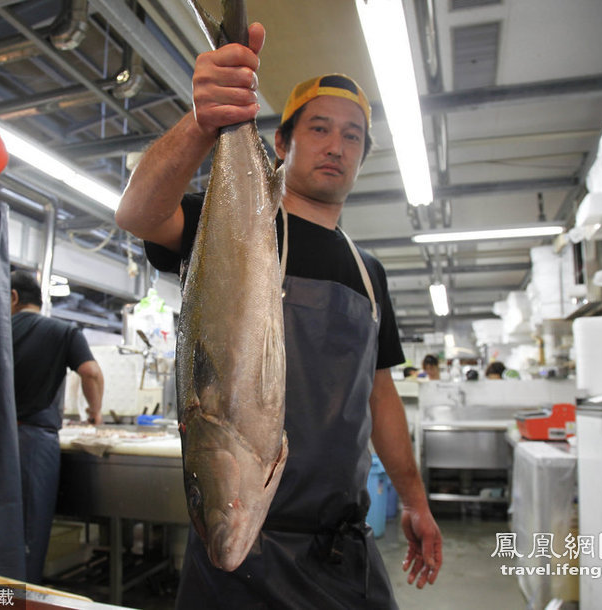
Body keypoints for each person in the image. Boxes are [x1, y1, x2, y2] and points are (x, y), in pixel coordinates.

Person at [116, 22, 441, 608]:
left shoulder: (370, 273)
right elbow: (139, 212)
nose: (337, 146)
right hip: (241, 541)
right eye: (319, 128)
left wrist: (414, 500)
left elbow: (381, 394)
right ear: (284, 144)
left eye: (353, 136)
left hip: (344, 551)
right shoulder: (234, 230)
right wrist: (204, 121)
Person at [9, 270, 105, 584]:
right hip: (33, 445)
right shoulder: (62, 331)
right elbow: (90, 373)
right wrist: (95, 412)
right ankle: (21, 597)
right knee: (29, 531)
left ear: (12, 297)